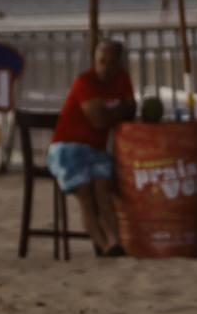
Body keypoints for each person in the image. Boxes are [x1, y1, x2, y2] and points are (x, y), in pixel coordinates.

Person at [47, 39, 135, 257]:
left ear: (119, 64)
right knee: (86, 196)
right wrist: (119, 110)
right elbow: (99, 120)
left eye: (111, 63)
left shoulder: (122, 80)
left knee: (103, 191)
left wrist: (109, 111)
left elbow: (132, 109)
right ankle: (104, 245)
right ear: (94, 61)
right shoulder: (84, 82)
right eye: (101, 62)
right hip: (67, 147)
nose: (105, 68)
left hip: (96, 149)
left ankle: (115, 242)